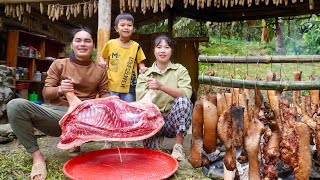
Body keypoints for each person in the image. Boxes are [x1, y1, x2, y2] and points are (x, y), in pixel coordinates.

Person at [7, 27, 109, 180]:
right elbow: (46, 93)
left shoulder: (100, 70)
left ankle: (76, 140)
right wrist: (61, 89)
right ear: (71, 44)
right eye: (78, 40)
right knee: (15, 105)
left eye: (87, 40)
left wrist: (108, 105)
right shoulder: (59, 64)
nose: (83, 44)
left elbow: (105, 94)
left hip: (87, 118)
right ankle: (37, 157)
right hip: (58, 115)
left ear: (93, 45)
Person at [136, 35, 193, 161]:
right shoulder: (145, 74)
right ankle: (154, 139)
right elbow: (141, 103)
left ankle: (178, 147)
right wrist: (150, 92)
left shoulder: (180, 70)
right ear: (154, 50)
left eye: (167, 47)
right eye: (159, 47)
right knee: (153, 157)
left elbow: (186, 94)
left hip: (173, 121)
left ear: (171, 50)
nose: (162, 50)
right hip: (154, 121)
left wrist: (161, 86)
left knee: (183, 101)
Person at [100, 13, 147, 148]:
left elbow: (140, 63)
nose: (126, 27)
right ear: (116, 28)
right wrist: (102, 63)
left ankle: (128, 140)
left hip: (129, 87)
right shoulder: (110, 44)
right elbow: (102, 58)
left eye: (129, 25)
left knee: (128, 114)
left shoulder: (136, 46)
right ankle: (108, 140)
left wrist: (143, 68)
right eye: (122, 25)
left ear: (133, 28)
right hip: (112, 85)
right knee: (111, 113)